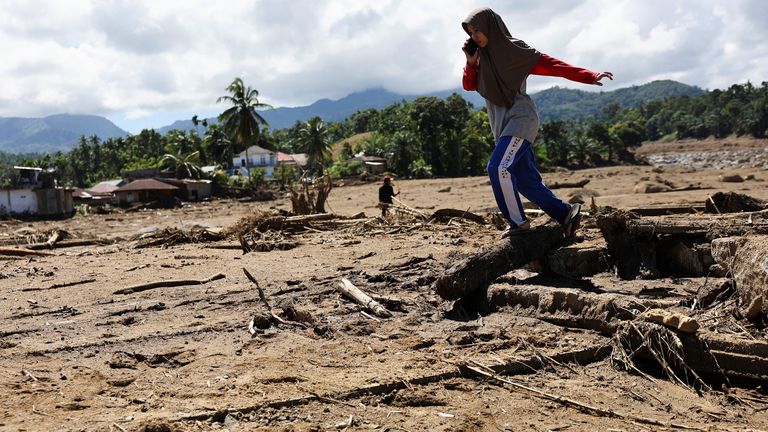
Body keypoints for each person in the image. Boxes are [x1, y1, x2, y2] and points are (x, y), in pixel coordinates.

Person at [461, 7, 613, 238]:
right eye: (471, 32)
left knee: (498, 167)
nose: (475, 36)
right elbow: (469, 85)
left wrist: (588, 75)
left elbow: (551, 64)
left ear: (490, 26)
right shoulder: (481, 58)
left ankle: (518, 223)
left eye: (478, 30)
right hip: (502, 127)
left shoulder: (514, 49)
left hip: (521, 119)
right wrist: (471, 62)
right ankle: (566, 214)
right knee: (525, 182)